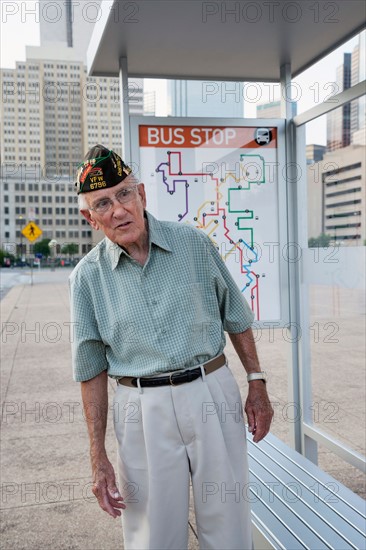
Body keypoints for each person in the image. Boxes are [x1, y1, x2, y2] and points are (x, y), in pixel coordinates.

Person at [69, 144, 273, 550]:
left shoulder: (194, 244)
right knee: (152, 534)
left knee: (229, 520)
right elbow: (90, 369)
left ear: (142, 195)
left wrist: (257, 382)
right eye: (103, 204)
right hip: (141, 408)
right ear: (89, 218)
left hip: (210, 391)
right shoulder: (86, 278)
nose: (119, 210)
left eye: (125, 194)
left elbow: (236, 316)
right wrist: (98, 456)